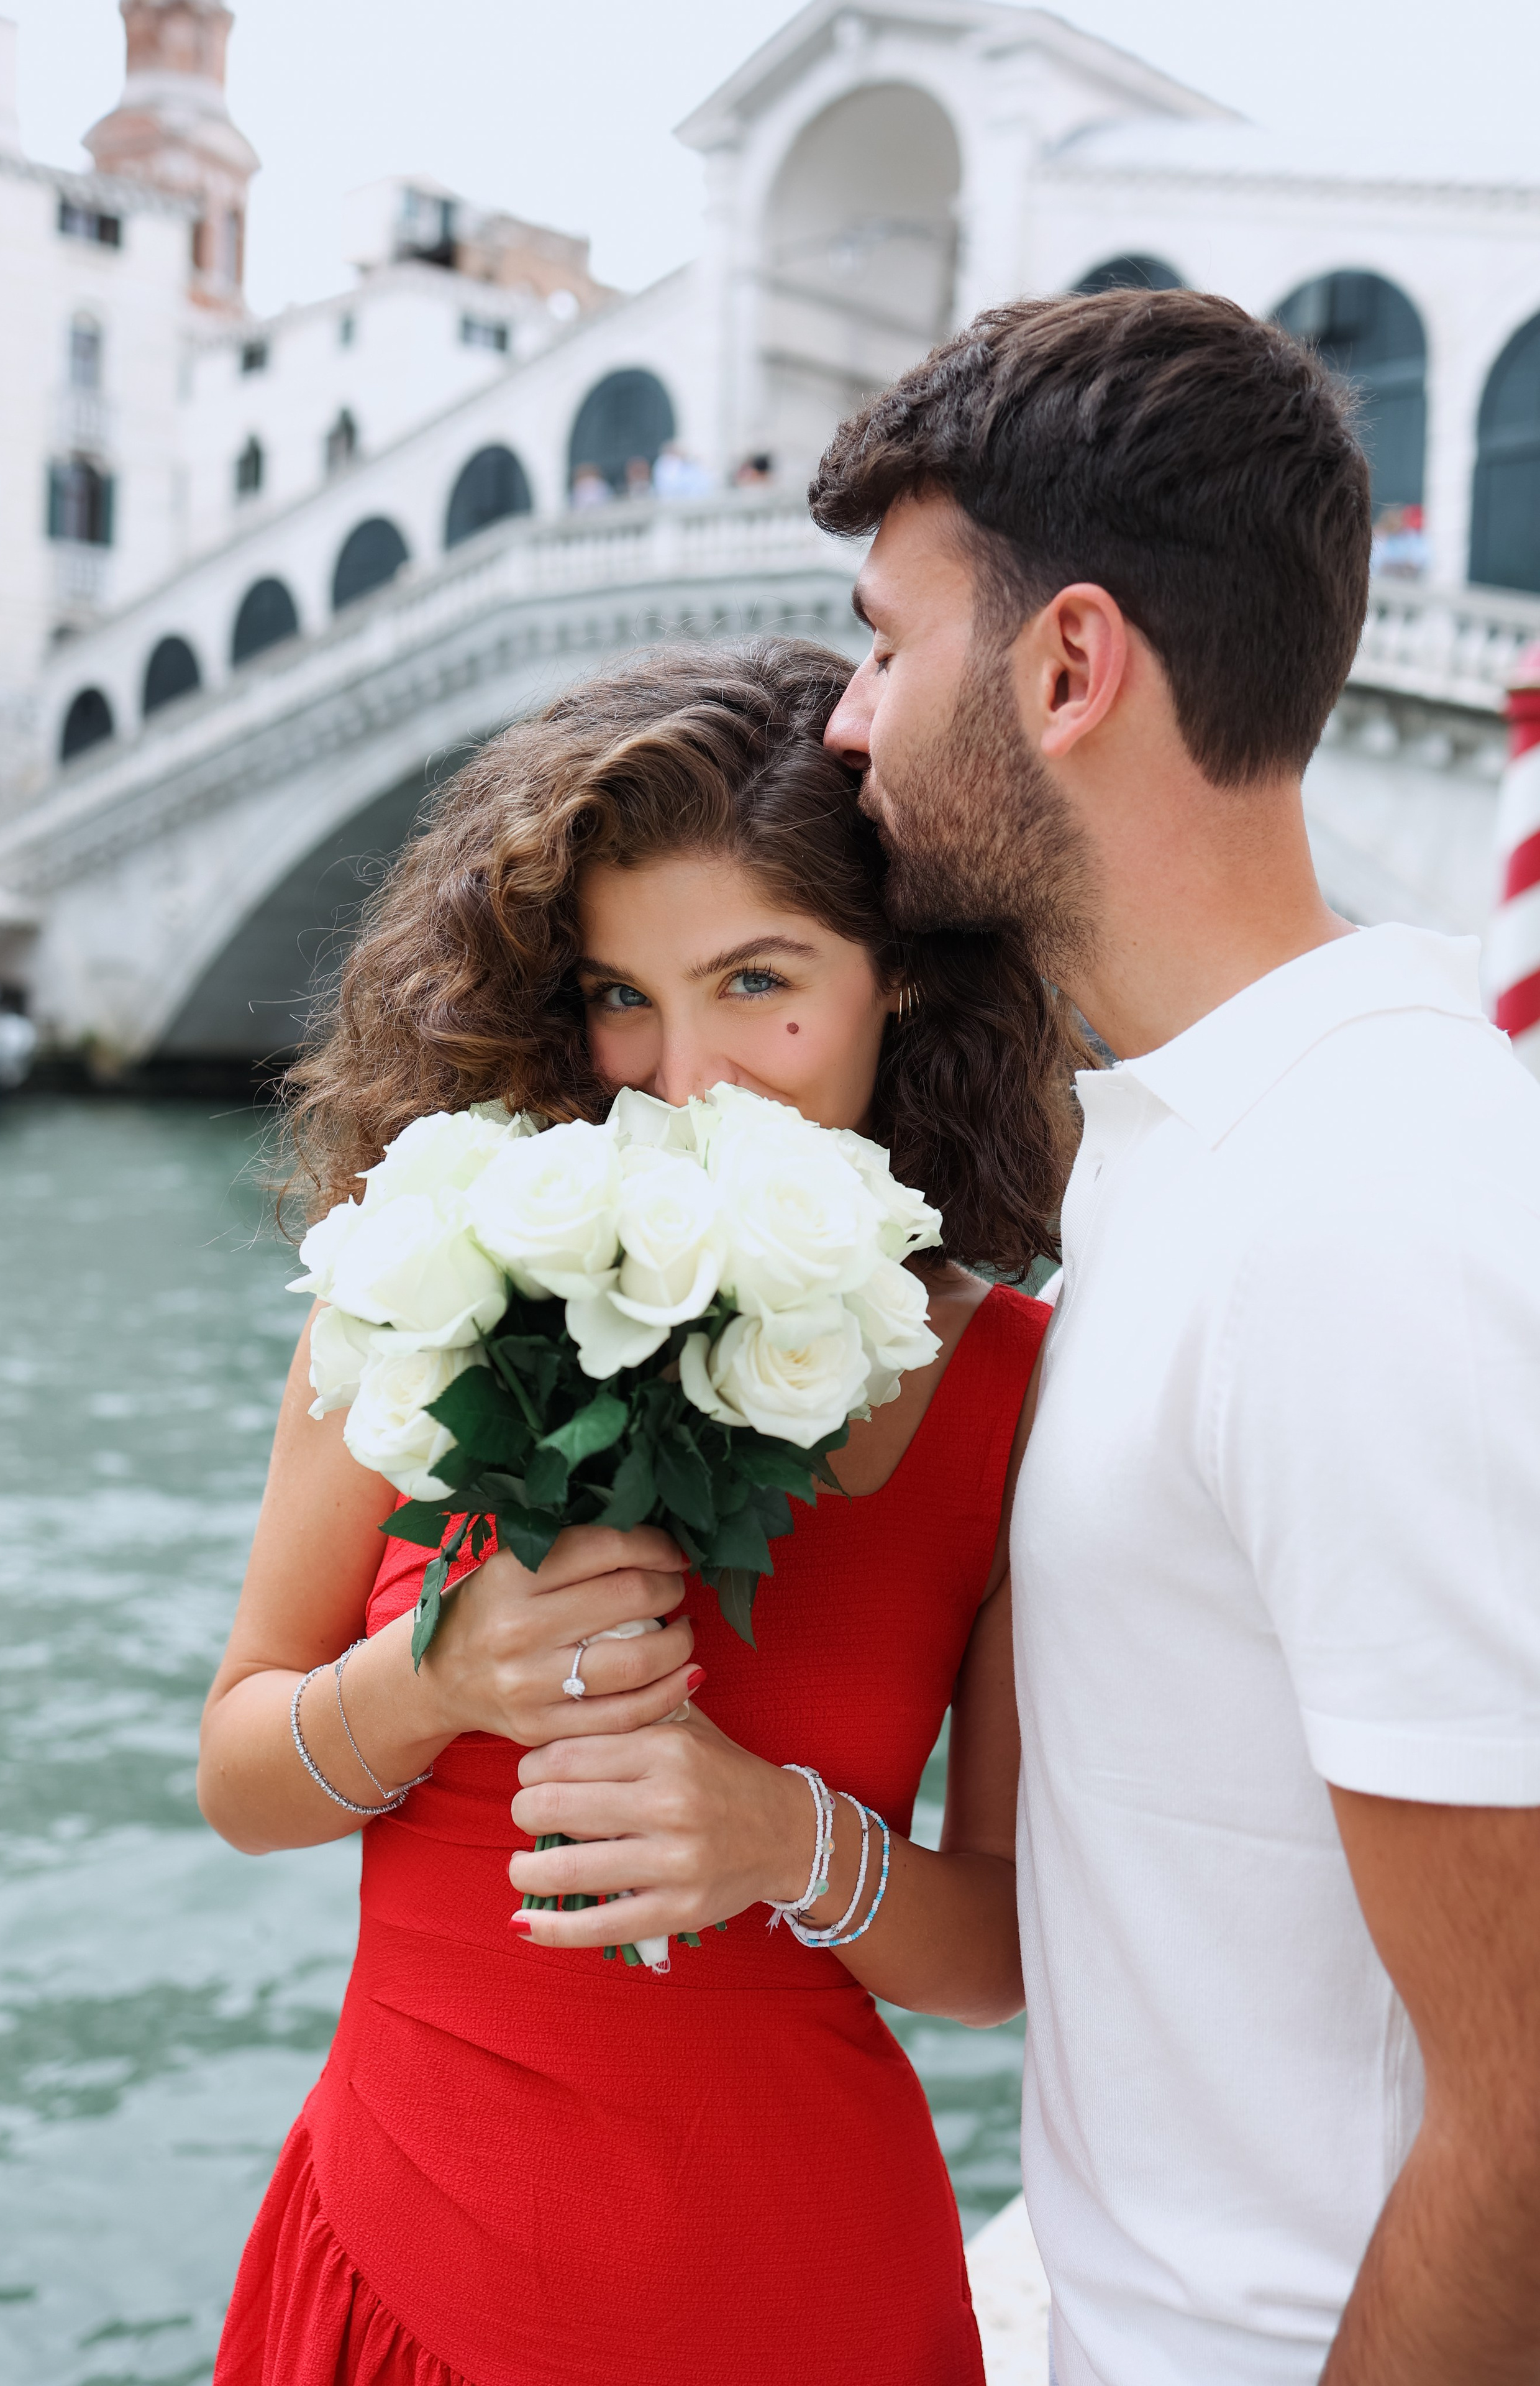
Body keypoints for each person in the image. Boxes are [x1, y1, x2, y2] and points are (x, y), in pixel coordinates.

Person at [200, 639, 1084, 2386]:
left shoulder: (1021, 1389)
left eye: (761, 982)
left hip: (803, 2302)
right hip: (396, 2274)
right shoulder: (422, 1274)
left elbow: (997, 1954)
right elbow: (241, 1775)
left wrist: (780, 1844)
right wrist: (432, 1681)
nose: (683, 1075)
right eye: (621, 996)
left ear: (897, 975)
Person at [804, 289, 1540, 2384]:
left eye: (888, 640)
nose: (850, 720)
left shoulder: (1370, 1203)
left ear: (1065, 667)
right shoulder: (1187, 1146)